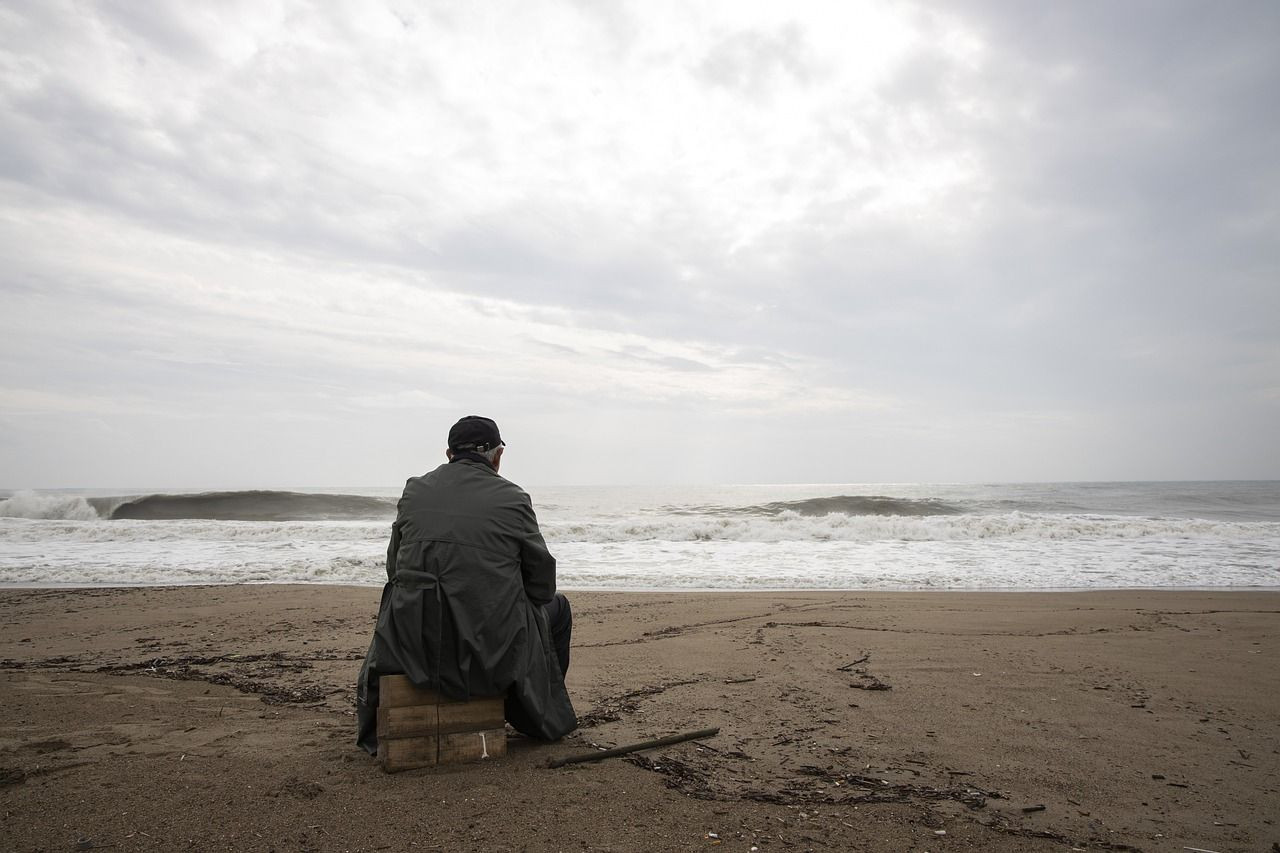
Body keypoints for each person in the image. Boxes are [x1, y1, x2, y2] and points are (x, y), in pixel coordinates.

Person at [356, 415, 577, 754]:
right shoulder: (513, 498)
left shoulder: (414, 490)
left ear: (449, 454)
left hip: (412, 646)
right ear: (497, 456)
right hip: (488, 651)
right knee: (558, 609)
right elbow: (542, 584)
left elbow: (394, 569)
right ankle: (534, 716)